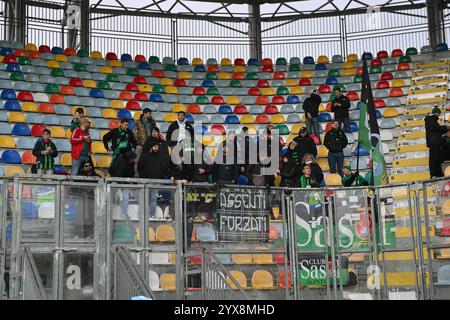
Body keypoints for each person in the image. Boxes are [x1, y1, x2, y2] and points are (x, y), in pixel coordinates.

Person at [138, 141, 170, 218]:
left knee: (153, 199)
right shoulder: (144, 156)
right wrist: (144, 179)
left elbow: (163, 169)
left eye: (157, 147)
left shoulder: (159, 157)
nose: (157, 149)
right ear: (151, 147)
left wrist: (168, 176)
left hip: (156, 181)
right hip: (146, 182)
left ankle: (152, 214)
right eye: (155, 147)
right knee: (145, 199)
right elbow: (140, 168)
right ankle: (143, 214)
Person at [425, 107, 449, 178]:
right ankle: (434, 174)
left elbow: (437, 129)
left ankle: (437, 173)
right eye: (438, 114)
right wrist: (445, 128)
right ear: (436, 113)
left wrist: (444, 129)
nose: (439, 116)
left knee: (437, 158)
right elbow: (435, 128)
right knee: (434, 159)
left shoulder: (433, 121)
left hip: (435, 142)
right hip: (434, 142)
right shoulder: (430, 120)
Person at [133, 108, 156, 175]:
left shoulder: (153, 122)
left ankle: (147, 176)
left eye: (150, 113)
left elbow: (156, 131)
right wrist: (138, 142)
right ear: (145, 113)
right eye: (149, 113)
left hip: (150, 145)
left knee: (149, 162)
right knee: (137, 161)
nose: (150, 115)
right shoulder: (138, 122)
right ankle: (137, 176)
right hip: (141, 145)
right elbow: (134, 133)